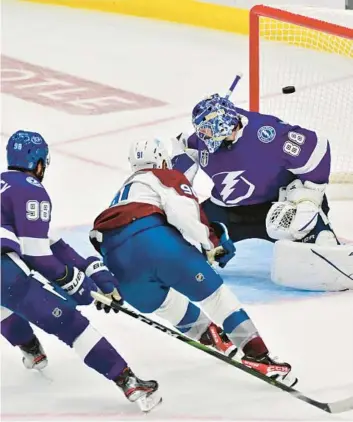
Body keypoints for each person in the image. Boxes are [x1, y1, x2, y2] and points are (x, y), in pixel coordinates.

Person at [89, 138, 297, 388]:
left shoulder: (121, 194)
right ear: (162, 159)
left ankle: (206, 334)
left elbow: (96, 237)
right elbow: (184, 212)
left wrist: (108, 281)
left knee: (164, 304)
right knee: (216, 297)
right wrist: (212, 244)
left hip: (117, 263)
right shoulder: (165, 175)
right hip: (154, 243)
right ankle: (258, 354)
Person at [1, 130, 161, 413]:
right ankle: (128, 380)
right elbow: (38, 255)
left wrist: (92, 270)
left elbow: (50, 243)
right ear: (38, 163)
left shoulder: (5, 188)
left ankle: (31, 350)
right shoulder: (30, 189)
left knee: (4, 306)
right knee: (71, 323)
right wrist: (77, 285)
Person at [171, 93, 353, 291]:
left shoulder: (267, 134)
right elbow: (185, 151)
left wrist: (309, 198)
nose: (202, 135)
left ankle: (323, 238)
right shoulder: (201, 141)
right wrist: (178, 164)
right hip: (229, 211)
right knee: (184, 236)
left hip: (276, 207)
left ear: (222, 124)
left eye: (206, 129)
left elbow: (317, 148)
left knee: (312, 232)